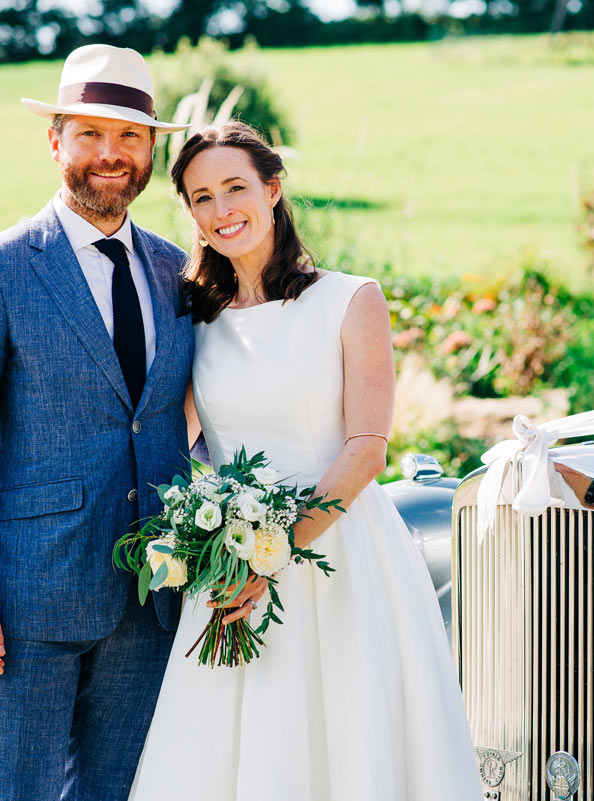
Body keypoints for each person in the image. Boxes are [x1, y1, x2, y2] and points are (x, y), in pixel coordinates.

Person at [128, 121, 481, 800]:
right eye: (201, 197)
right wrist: (210, 546)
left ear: (273, 187)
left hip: (343, 559)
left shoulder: (351, 299)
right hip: (230, 570)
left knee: (349, 746)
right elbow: (174, 434)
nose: (221, 210)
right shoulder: (193, 316)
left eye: (235, 187)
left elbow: (367, 448)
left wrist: (276, 552)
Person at [0, 44, 194, 801]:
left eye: (130, 136)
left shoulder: (179, 273)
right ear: (56, 142)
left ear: (150, 149)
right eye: (90, 134)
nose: (110, 154)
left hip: (151, 597)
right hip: (24, 602)